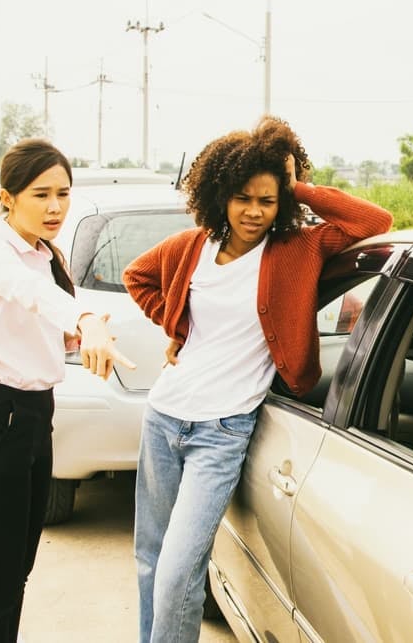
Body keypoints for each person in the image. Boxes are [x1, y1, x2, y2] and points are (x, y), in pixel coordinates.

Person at [123, 115, 393, 643]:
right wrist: (177, 324)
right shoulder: (190, 248)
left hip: (221, 432)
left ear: (282, 203)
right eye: (242, 197)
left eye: (267, 200)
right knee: (151, 561)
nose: (253, 211)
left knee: (180, 571)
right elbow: (139, 278)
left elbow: (373, 221)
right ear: (220, 194)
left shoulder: (298, 250)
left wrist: (299, 187)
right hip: (163, 418)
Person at [0, 139, 135, 642]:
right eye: (41, 194)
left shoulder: (42, 253)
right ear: (8, 197)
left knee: (19, 571)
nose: (55, 207)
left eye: (63, 193)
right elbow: (33, 296)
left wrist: (80, 332)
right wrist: (84, 318)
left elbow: (39, 316)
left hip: (35, 416)